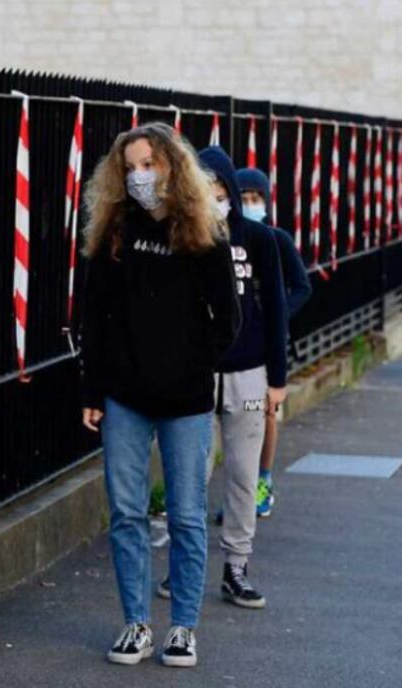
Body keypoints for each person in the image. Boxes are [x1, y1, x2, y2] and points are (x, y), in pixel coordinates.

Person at [79, 123, 240, 669]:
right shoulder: (115, 228)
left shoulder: (202, 230)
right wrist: (94, 387)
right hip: (124, 396)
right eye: (130, 166)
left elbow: (229, 320)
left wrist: (192, 369)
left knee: (187, 515)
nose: (139, 175)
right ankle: (136, 623)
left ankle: (184, 628)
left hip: (186, 400)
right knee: (125, 512)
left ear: (172, 165)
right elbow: (94, 315)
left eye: (148, 164)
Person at [189, 148, 288, 612]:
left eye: (222, 190)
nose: (218, 198)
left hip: (249, 376)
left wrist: (277, 379)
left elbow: (277, 312)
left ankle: (236, 566)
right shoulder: (185, 237)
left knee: (244, 474)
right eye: (206, 190)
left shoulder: (261, 239)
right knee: (192, 471)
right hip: (196, 374)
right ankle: (184, 564)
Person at [236, 166, 312, 517]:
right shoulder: (231, 241)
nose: (250, 204)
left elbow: (302, 286)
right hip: (237, 348)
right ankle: (241, 493)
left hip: (270, 349)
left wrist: (277, 316)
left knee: (264, 413)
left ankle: (263, 482)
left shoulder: (277, 239)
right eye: (244, 198)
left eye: (256, 198)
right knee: (236, 420)